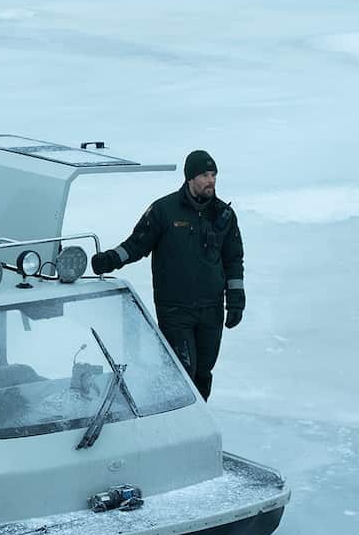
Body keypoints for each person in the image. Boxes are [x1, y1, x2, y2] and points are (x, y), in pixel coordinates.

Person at [90, 150, 245, 400]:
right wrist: (110, 260)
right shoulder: (164, 210)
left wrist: (236, 301)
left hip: (211, 309)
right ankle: (174, 413)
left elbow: (233, 259)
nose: (211, 181)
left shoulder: (223, 215)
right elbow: (136, 245)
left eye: (213, 175)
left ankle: (197, 417)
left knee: (203, 372)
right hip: (175, 309)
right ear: (190, 178)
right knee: (182, 371)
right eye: (205, 175)